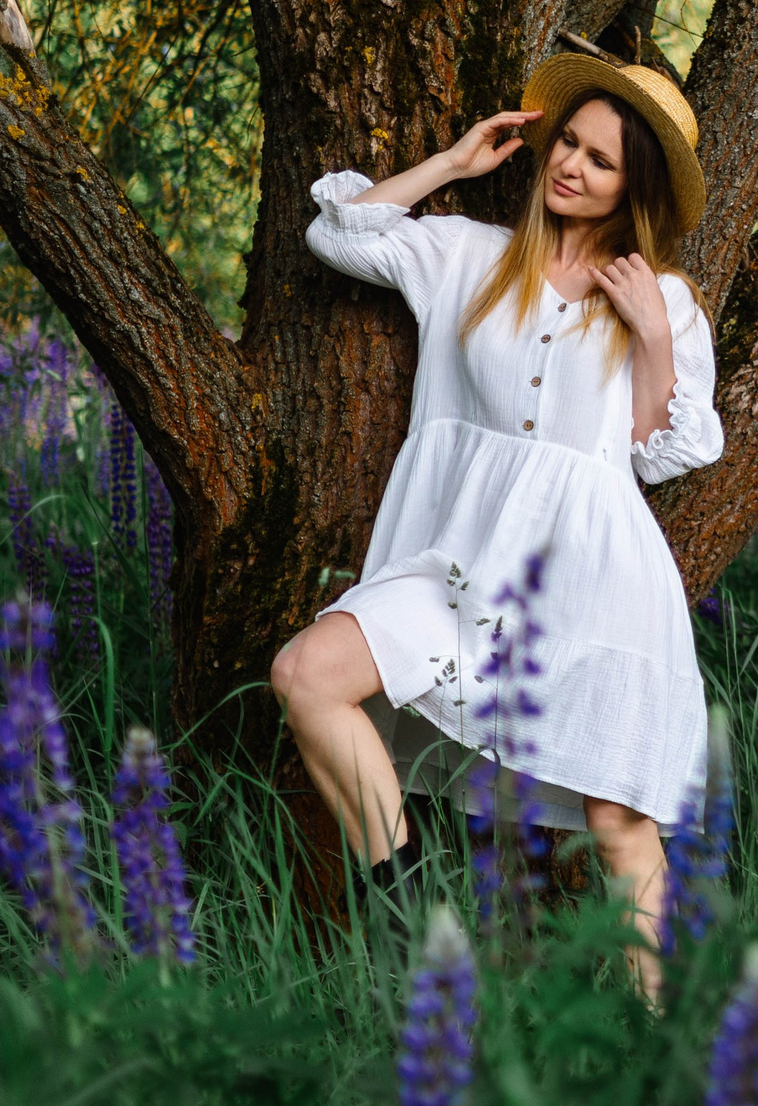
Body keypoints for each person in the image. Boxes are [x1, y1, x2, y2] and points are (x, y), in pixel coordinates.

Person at [271, 53, 722, 981]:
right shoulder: (469, 255)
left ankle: (662, 1045)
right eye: (570, 142)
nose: (572, 166)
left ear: (633, 184)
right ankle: (408, 938)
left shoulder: (662, 300)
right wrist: (450, 163)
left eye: (602, 160)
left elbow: (658, 449)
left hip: (590, 583)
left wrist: (649, 334)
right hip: (457, 567)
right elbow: (340, 231)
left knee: (618, 822)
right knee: (308, 672)